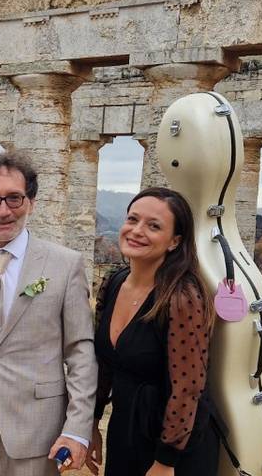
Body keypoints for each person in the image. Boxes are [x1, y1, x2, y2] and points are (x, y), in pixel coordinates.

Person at [0, 150, 97, 475]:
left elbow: (80, 351)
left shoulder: (65, 265)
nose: (2, 210)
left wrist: (77, 427)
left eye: (14, 198)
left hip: (38, 429)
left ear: (31, 202)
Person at [86, 187, 218, 476]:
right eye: (132, 219)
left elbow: (188, 389)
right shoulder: (114, 283)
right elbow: (105, 364)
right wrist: (93, 422)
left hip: (173, 445)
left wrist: (165, 461)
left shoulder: (182, 297)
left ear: (175, 241)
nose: (137, 230)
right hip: (125, 430)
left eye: (153, 226)